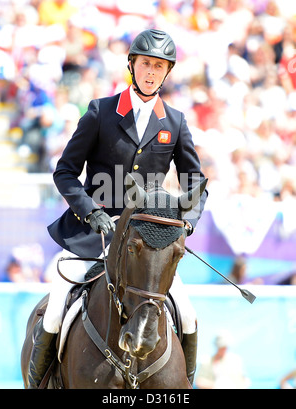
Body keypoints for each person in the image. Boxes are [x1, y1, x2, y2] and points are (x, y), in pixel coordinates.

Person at [27, 29, 208, 388]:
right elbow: (65, 171)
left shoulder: (174, 122)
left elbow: (196, 182)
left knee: (186, 315)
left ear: (167, 72)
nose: (151, 72)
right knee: (55, 310)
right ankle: (37, 382)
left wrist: (185, 223)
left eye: (159, 66)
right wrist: (89, 210)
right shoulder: (101, 112)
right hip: (94, 234)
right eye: (145, 64)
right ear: (132, 65)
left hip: (147, 240)